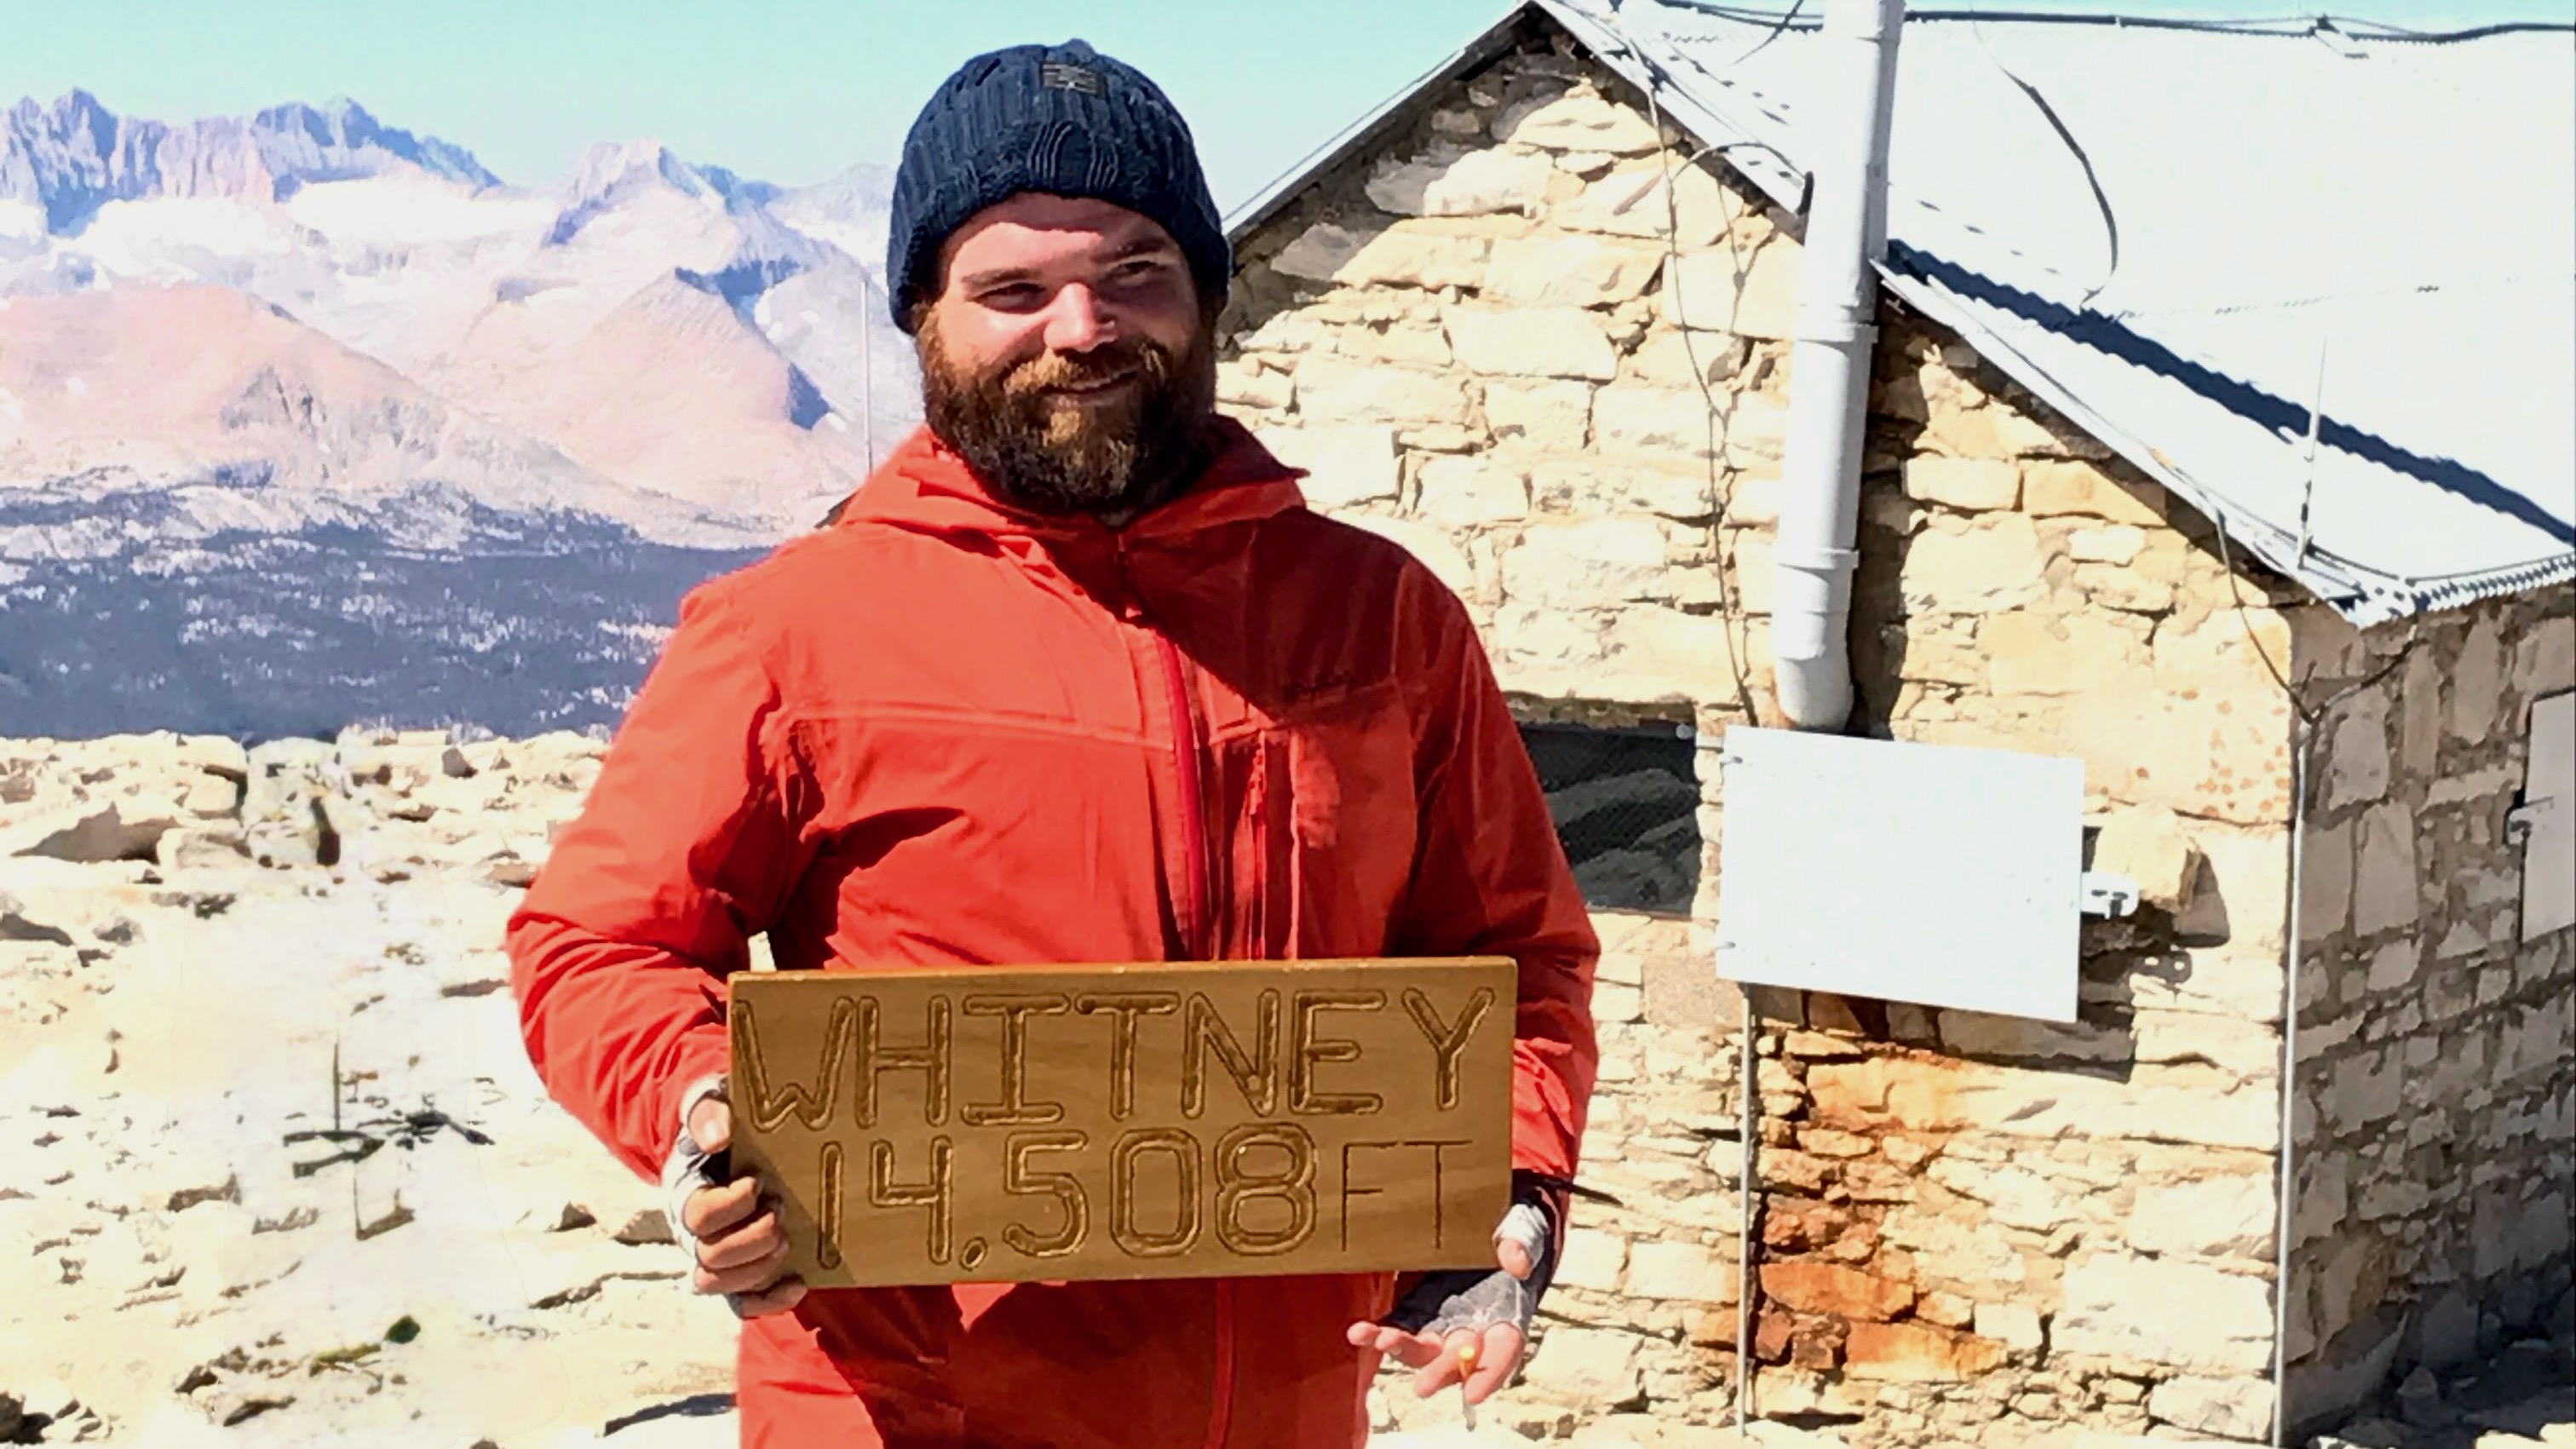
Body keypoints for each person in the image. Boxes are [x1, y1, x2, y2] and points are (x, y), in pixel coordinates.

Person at [507, 37, 1598, 1449]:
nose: (1081, 325)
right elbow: (594, 944)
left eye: (1135, 270)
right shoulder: (793, 631)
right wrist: (711, 1115)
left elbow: (1517, 959)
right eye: (1011, 289)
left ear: (1208, 290)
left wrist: (1504, 1192)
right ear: (924, 321)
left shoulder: (1385, 622)